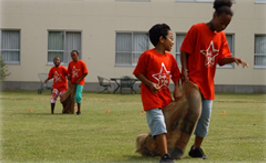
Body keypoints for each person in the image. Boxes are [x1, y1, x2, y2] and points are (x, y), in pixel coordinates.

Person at [180, 0, 248, 159]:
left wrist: (233, 59)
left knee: (205, 117)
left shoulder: (221, 36)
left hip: (208, 84)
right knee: (193, 113)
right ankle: (173, 143)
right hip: (193, 81)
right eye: (222, 22)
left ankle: (196, 149)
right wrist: (184, 69)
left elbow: (220, 59)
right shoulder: (197, 29)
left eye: (227, 25)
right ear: (214, 15)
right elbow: (184, 51)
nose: (223, 27)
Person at [133, 23, 182, 163]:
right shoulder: (148, 55)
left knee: (167, 126)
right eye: (171, 38)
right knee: (159, 124)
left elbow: (176, 75)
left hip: (165, 98)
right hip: (151, 98)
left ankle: (146, 143)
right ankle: (165, 156)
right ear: (162, 39)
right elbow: (138, 73)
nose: (173, 42)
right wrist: (149, 84)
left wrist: (177, 90)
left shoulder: (170, 58)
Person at [68, 50, 88, 115]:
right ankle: (71, 109)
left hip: (80, 82)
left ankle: (79, 111)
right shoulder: (70, 63)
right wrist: (69, 80)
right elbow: (69, 73)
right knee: (71, 96)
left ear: (78, 55)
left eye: (74, 55)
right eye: (72, 56)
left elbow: (86, 73)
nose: (73, 57)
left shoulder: (82, 63)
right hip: (73, 82)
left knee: (78, 96)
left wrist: (79, 80)